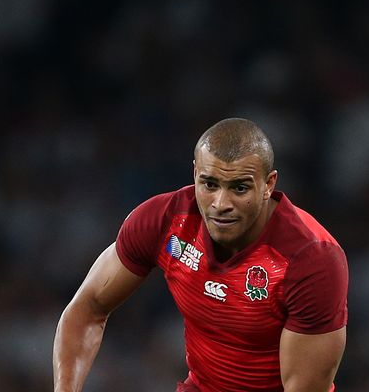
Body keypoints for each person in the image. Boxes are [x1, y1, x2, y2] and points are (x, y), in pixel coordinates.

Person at [53, 118, 348, 392]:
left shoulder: (311, 260)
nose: (221, 203)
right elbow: (87, 310)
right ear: (195, 173)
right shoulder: (164, 221)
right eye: (209, 184)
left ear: (268, 184)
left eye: (240, 188)